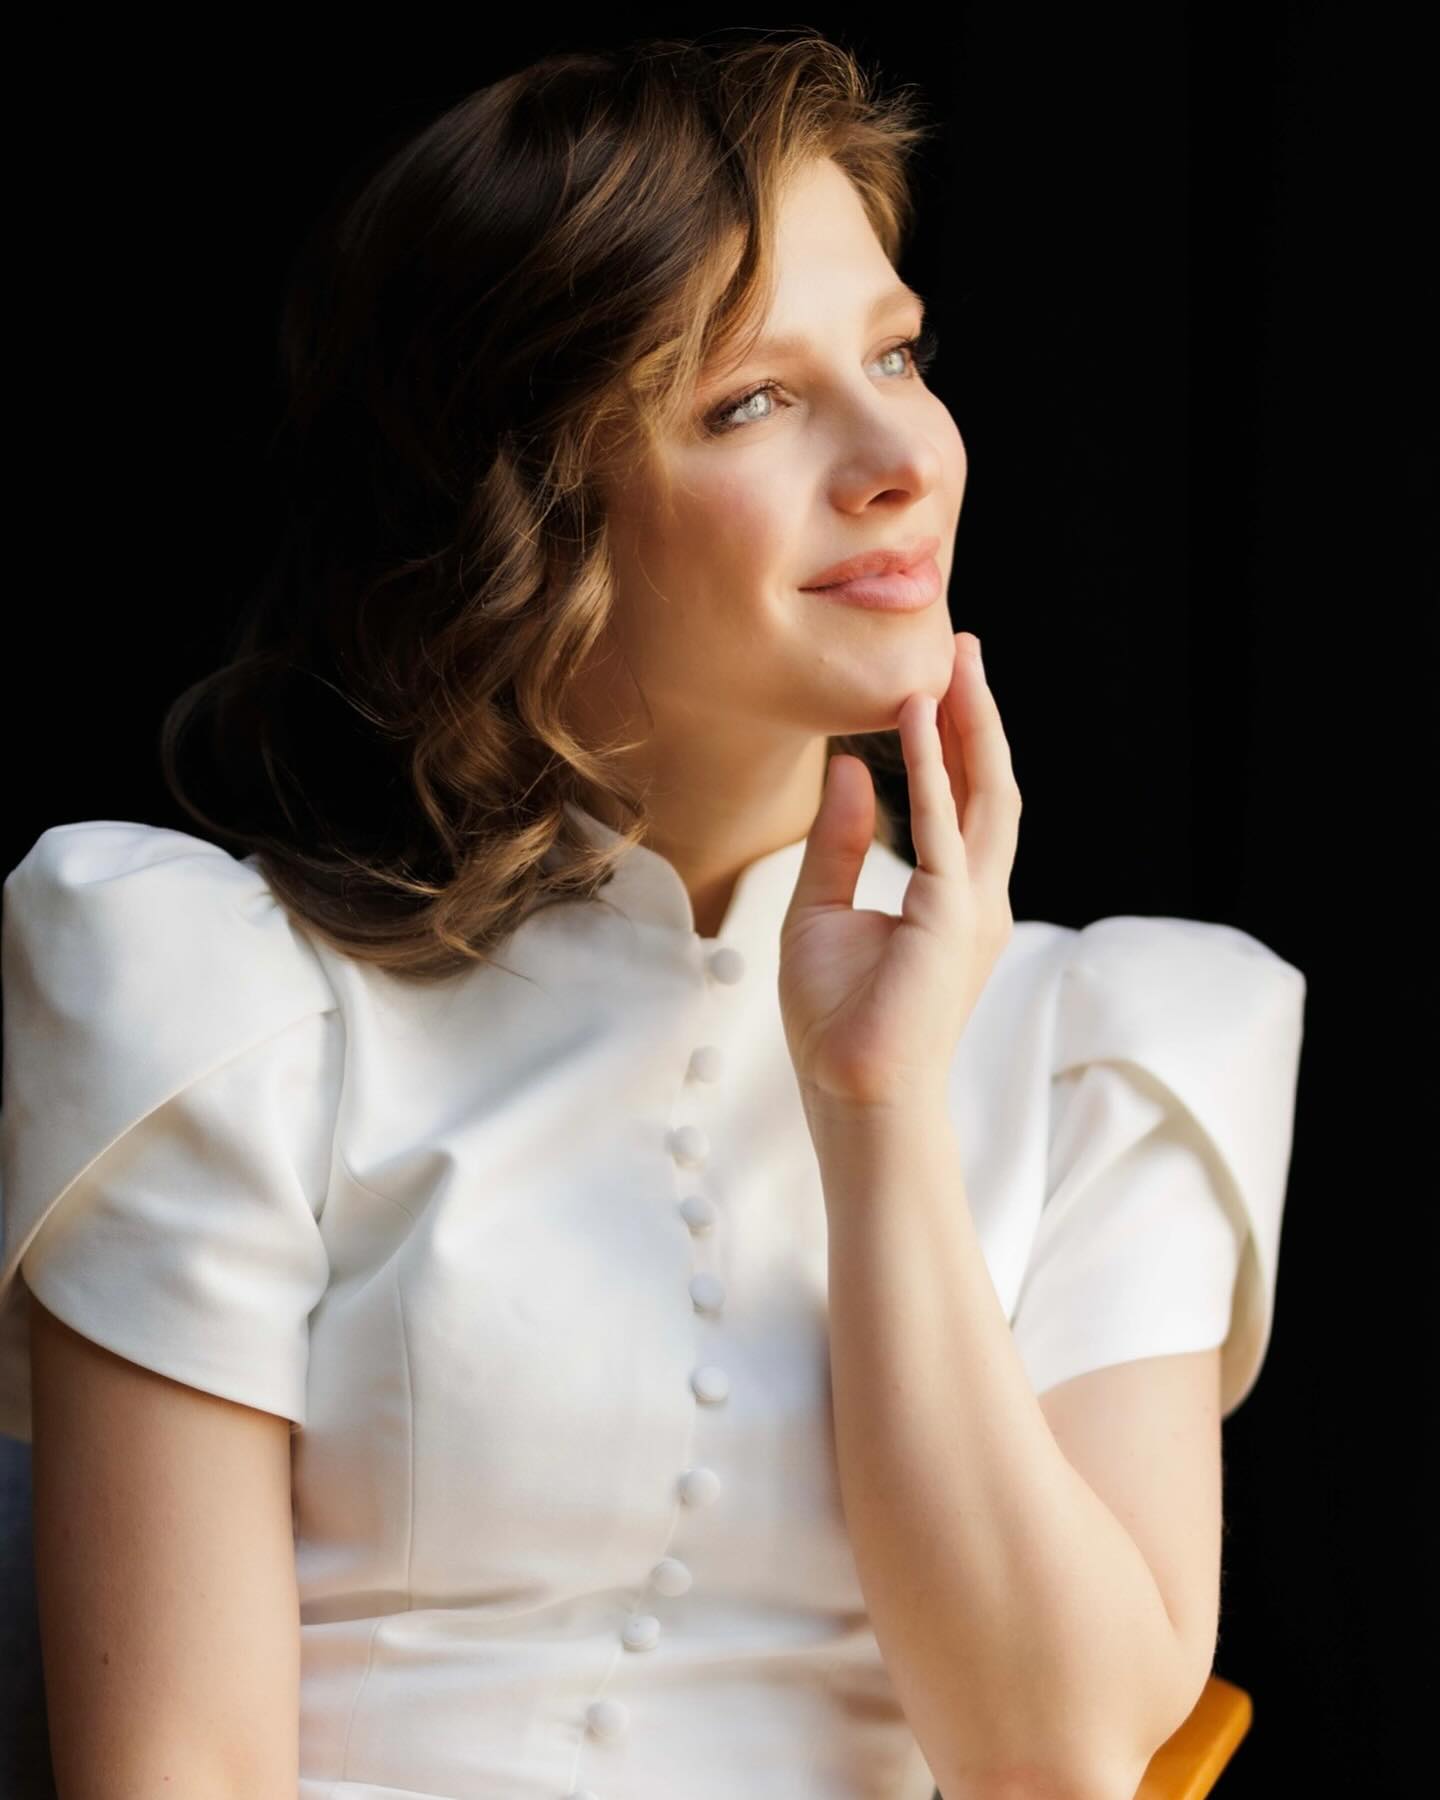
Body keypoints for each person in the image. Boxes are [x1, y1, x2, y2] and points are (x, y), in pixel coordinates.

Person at [0, 31, 1306, 1800]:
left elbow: (1064, 1759)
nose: (902, 459)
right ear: (526, 512)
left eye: (897, 354)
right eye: (748, 400)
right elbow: (176, 1769)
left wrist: (876, 1110)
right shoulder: (219, 1003)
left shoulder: (1110, 1051)